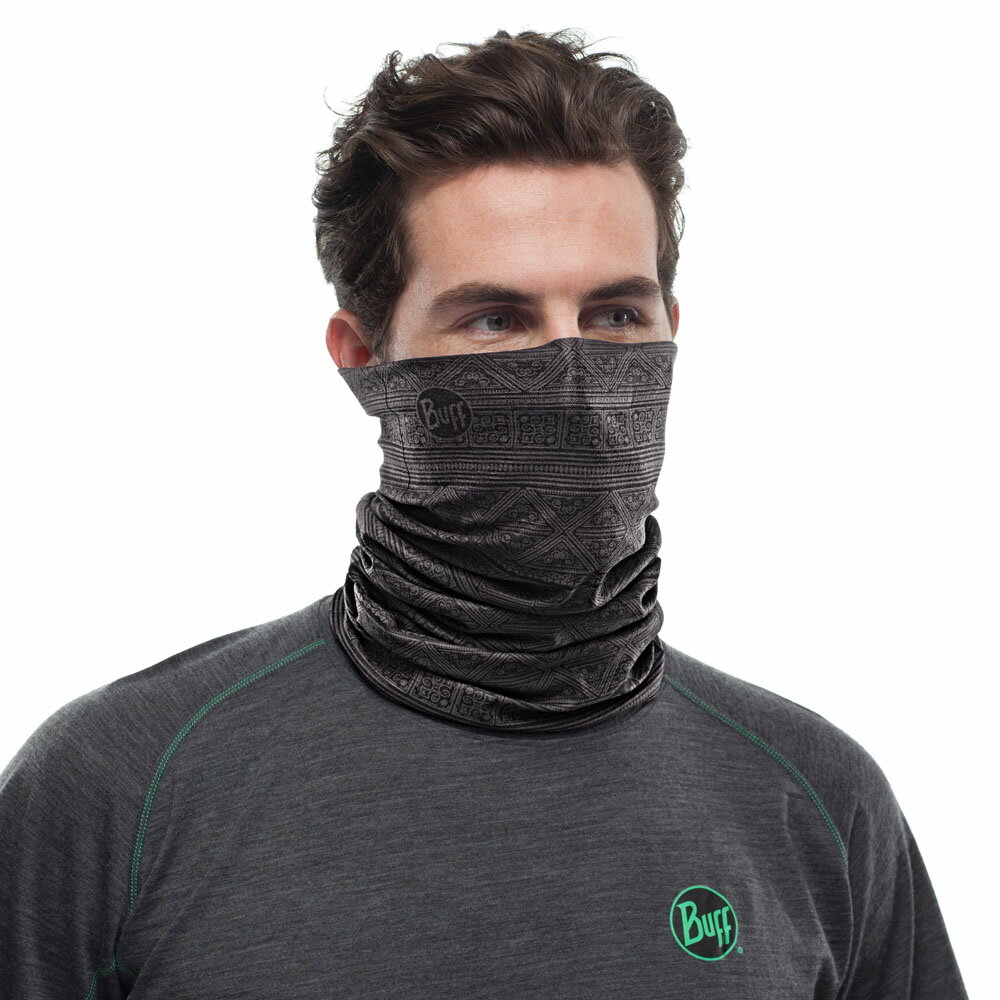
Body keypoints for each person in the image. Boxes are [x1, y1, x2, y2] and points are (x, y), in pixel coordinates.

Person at [0, 27, 968, 1000]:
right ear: (363, 356)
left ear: (671, 330)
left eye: (615, 315)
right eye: (495, 319)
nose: (573, 375)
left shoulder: (818, 801)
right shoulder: (119, 793)